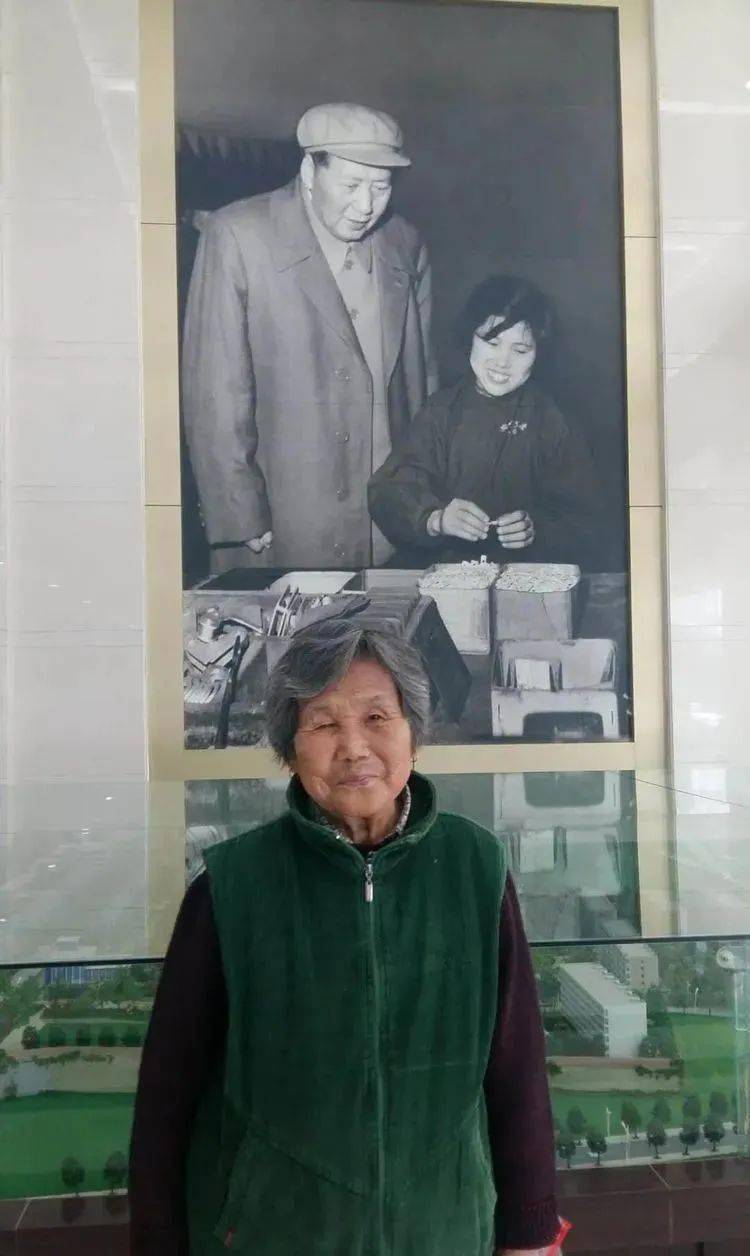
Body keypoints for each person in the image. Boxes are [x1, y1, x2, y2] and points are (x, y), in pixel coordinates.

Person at [129, 619, 558, 1255]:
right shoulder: (231, 885)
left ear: (414, 733)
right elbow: (167, 1096)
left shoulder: (477, 868)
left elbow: (516, 1068)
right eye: (324, 724)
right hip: (274, 1236)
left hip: (442, 1232)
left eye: (377, 717)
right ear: (290, 749)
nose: (354, 747)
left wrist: (531, 1233)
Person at [182, 102, 437, 575]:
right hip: (285, 519)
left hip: (389, 523)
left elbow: (422, 384)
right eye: (351, 185)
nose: (366, 206)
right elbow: (214, 391)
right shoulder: (237, 235)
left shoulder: (405, 243)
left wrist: (424, 499)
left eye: (381, 187)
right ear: (309, 171)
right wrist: (238, 511)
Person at [368, 274, 603, 569]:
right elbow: (389, 491)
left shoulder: (554, 421)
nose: (503, 362)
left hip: (524, 578)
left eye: (520, 350)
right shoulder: (441, 411)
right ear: (470, 338)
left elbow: (587, 522)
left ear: (539, 353)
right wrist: (436, 519)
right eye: (492, 342)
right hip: (443, 574)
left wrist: (538, 531)